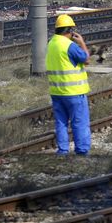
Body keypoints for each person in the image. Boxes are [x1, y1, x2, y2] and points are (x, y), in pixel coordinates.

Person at [46, 14, 92, 156]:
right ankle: (82, 151)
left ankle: (63, 150)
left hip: (57, 92)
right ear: (70, 31)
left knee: (61, 123)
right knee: (79, 123)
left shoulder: (51, 43)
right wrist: (82, 43)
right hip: (74, 92)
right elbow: (86, 60)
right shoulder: (69, 46)